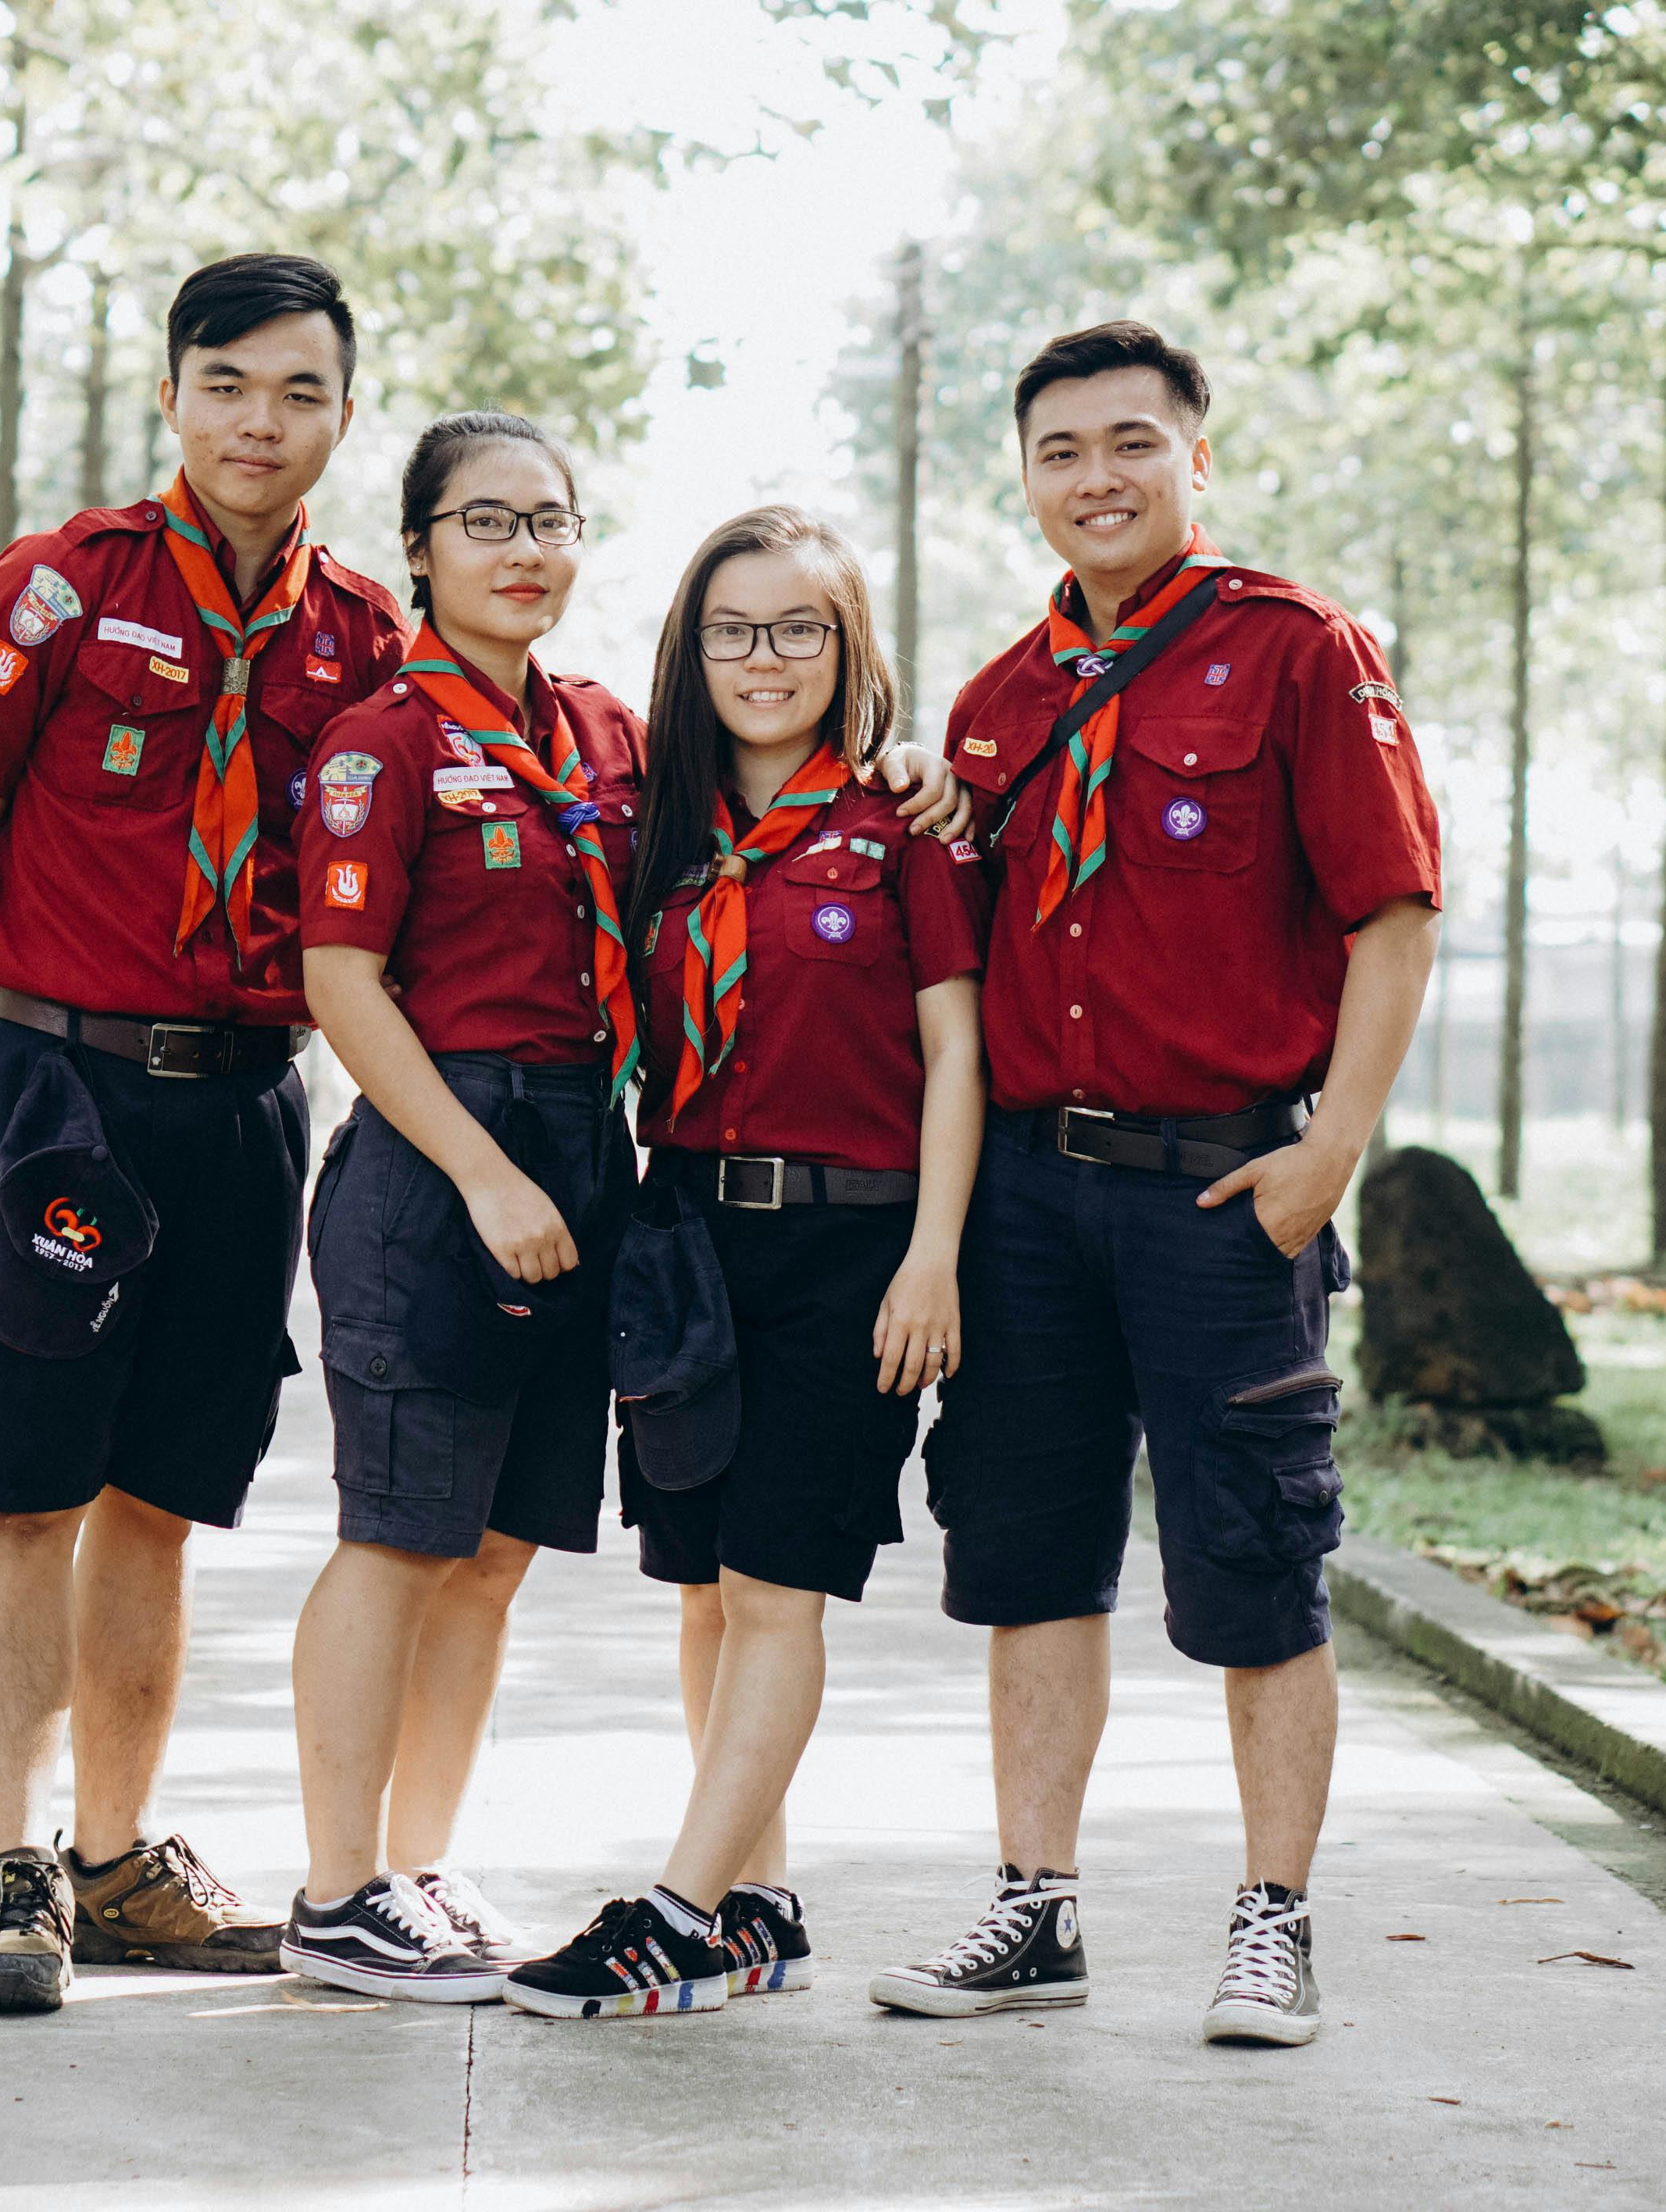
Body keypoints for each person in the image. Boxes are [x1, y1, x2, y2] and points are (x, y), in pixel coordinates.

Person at [873, 321, 1439, 2047]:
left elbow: (1391, 915)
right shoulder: (991, 704)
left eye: (1130, 443)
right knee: (1029, 1555)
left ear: (1198, 457)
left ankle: (1272, 1921)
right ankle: (1031, 1911)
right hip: (1031, 1202)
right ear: (1025, 476)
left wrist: (1323, 1153)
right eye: (1059, 451)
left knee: (1256, 1556)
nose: (1095, 478)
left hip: (1217, 1193)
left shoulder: (1292, 653)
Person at [0, 254, 414, 2016]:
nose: (258, 424)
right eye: (226, 385)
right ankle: (9, 1869)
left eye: (297, 393)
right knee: (22, 1483)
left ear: (344, 415)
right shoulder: (53, 593)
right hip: (59, 1087)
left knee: (161, 1498)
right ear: (172, 398)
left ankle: (114, 1861)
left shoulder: (366, 637)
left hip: (247, 1100)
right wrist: (26, 1056)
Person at [501, 507, 990, 2022]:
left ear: (847, 650)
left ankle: (674, 1910)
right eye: (732, 629)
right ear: (688, 650)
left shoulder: (900, 823)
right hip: (687, 1235)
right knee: (706, 1592)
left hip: (850, 1247)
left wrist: (931, 1261)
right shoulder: (658, 825)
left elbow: (954, 1051)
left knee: (777, 1588)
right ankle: (752, 1908)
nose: (762, 658)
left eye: (798, 629)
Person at [274, 410, 647, 2001]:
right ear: (418, 546)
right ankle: (335, 1886)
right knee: (396, 1536)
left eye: (550, 522)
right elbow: (340, 983)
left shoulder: (607, 736)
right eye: (486, 523)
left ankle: (420, 1869)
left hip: (582, 1150)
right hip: (443, 1163)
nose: (523, 551)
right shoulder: (382, 742)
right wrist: (480, 1173)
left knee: (493, 1553)